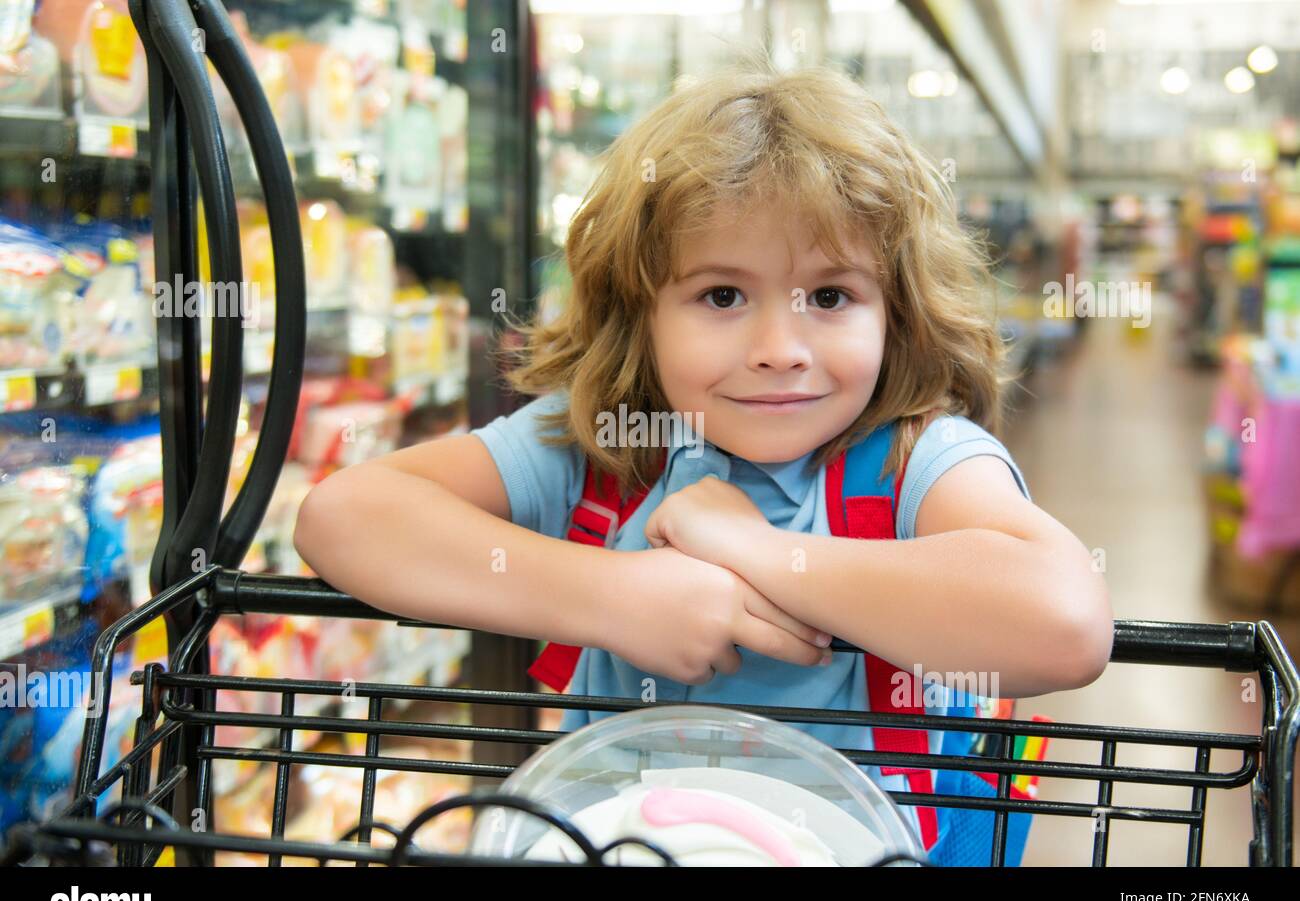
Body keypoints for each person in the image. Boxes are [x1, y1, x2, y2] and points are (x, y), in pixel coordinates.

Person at [294, 54, 1112, 860]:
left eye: (830, 297)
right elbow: (344, 517)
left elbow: (1066, 624)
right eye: (721, 296)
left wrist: (760, 550)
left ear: (896, 313)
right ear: (637, 313)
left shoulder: (912, 462)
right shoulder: (604, 449)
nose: (780, 348)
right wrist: (612, 597)